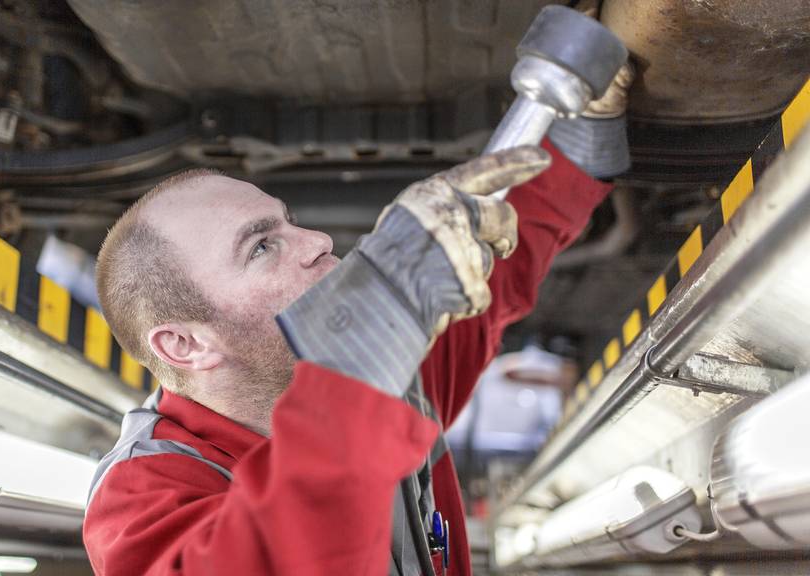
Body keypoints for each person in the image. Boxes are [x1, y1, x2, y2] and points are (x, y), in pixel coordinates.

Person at [83, 64, 633, 576]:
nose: (318, 241)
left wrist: (581, 137)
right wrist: (379, 315)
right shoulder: (141, 496)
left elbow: (495, 271)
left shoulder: (397, 385)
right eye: (261, 247)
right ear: (184, 343)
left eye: (289, 222)